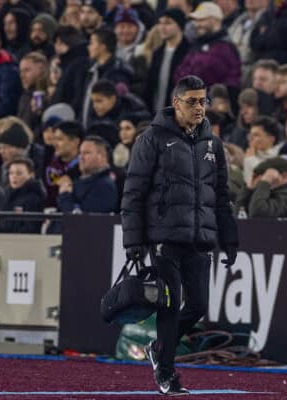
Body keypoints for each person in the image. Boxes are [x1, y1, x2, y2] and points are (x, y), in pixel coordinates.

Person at [121, 76, 238, 395]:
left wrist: (229, 238)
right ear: (176, 103)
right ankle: (168, 374)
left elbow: (221, 194)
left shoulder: (212, 143)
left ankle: (160, 349)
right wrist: (133, 240)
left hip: (200, 237)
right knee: (169, 305)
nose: (200, 107)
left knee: (198, 305)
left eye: (204, 101)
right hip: (163, 238)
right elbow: (133, 191)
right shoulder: (152, 139)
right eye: (193, 101)